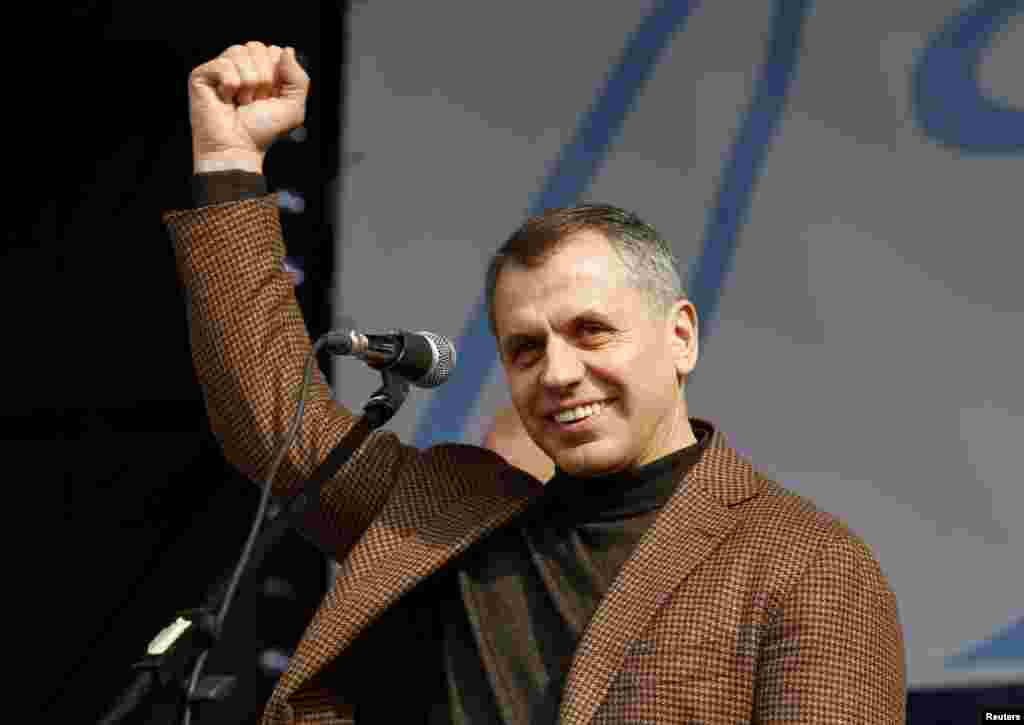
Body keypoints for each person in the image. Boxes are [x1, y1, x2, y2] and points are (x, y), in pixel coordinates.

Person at [163, 41, 906, 724]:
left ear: (681, 335)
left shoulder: (808, 561)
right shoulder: (448, 513)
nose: (556, 372)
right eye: (523, 348)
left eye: (591, 331)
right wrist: (229, 162)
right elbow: (270, 415)